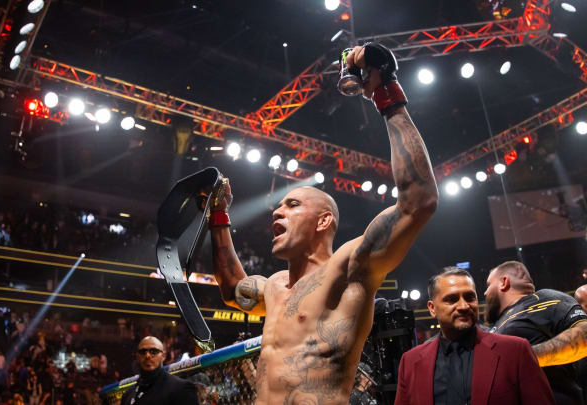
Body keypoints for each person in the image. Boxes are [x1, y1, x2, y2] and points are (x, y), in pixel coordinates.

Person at [208, 43, 439, 404]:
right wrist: (218, 216)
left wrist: (386, 92)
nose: (276, 212)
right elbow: (231, 288)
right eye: (278, 206)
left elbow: (418, 201)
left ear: (323, 220)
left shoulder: (349, 269)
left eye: (293, 204)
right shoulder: (272, 287)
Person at [395, 267, 554, 405]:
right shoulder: (410, 362)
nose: (464, 306)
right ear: (432, 308)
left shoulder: (515, 350)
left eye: (470, 297)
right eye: (452, 299)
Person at [485, 260, 587, 404]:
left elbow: (585, 335)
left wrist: (523, 357)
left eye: (488, 285)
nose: (485, 292)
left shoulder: (544, 298)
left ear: (504, 282)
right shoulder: (494, 326)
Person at [119, 336, 198, 405]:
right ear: (137, 357)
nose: (147, 356)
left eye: (153, 351)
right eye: (143, 352)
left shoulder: (181, 388)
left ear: (163, 356)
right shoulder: (128, 394)